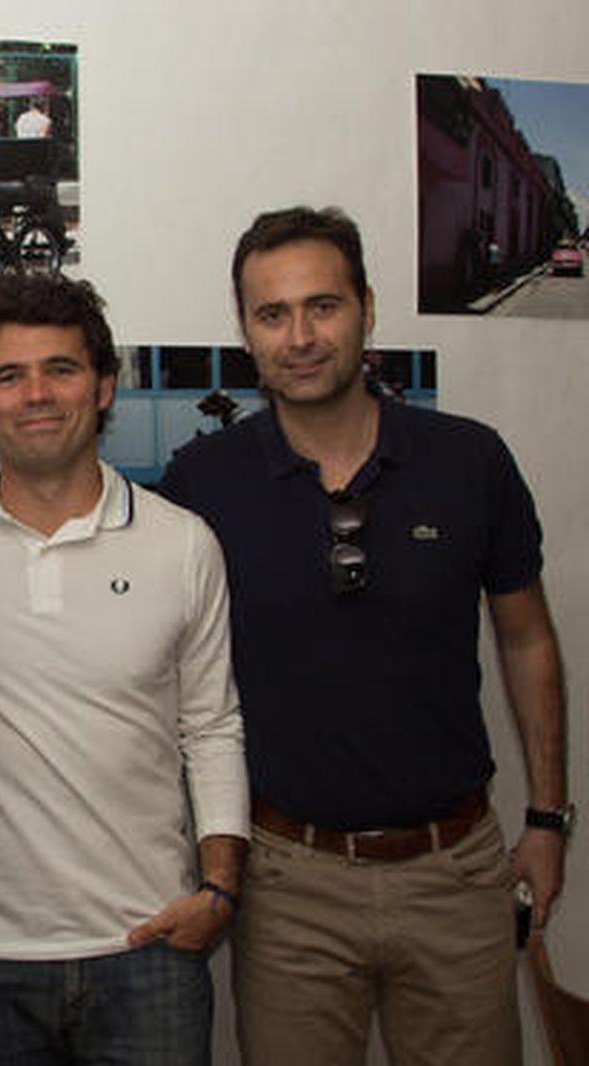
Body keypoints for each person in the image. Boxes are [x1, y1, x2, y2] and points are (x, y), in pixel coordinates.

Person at [157, 205, 569, 1065]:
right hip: (286, 884)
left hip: (457, 873)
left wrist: (546, 819)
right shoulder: (203, 481)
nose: (301, 337)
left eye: (323, 306)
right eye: (273, 314)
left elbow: (527, 639)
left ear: (367, 308)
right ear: (246, 332)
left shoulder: (471, 461)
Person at [0, 274, 247, 1065]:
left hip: (149, 949)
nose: (36, 394)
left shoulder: (183, 543)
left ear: (103, 387)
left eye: (60, 369)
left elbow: (212, 726)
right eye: (8, 375)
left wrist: (219, 888)